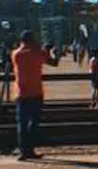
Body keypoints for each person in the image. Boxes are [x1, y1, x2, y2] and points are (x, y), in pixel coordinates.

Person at [11, 30, 61, 161]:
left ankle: (23, 150)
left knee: (21, 123)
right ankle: (30, 149)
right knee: (34, 122)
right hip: (35, 92)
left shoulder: (15, 54)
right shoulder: (37, 52)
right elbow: (53, 62)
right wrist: (53, 52)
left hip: (20, 93)